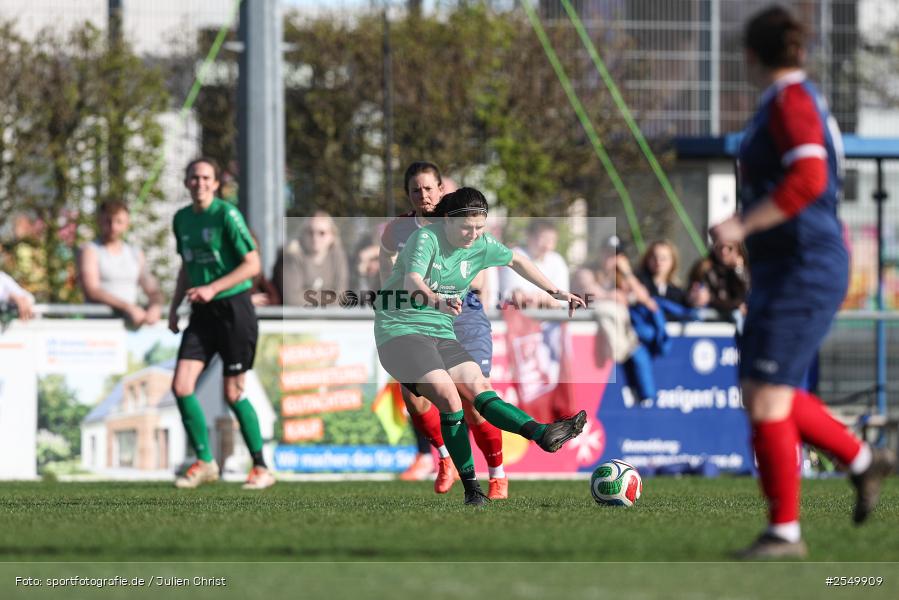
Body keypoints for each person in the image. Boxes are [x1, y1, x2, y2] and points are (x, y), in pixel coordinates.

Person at [711, 6, 894, 559]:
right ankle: (862, 461)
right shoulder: (785, 101)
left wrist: (743, 223)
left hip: (806, 267)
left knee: (767, 398)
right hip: (784, 266)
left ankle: (785, 533)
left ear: (749, 55)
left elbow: (810, 177)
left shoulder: (792, 100)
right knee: (763, 393)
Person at [375, 186, 587, 505]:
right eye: (466, 227)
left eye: (479, 227)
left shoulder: (481, 244)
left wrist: (557, 292)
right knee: (449, 397)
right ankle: (472, 489)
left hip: (440, 331)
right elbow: (411, 283)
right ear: (446, 220)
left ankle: (541, 434)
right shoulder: (426, 239)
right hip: (399, 330)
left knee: (478, 387)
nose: (473, 235)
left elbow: (516, 261)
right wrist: (437, 300)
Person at [381, 163, 509, 499]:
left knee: (473, 402)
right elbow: (388, 267)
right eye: (415, 190)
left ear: (442, 191)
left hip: (462, 315)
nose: (423, 196)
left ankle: (497, 474)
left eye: (428, 189)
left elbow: (480, 274)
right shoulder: (400, 229)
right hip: (419, 317)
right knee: (414, 397)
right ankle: (444, 457)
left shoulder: (461, 222)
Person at [168, 157, 275, 490]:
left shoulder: (227, 214)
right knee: (181, 386)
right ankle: (204, 460)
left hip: (233, 310)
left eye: (205, 178)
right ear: (186, 183)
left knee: (233, 392)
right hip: (201, 313)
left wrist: (214, 287)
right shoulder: (181, 219)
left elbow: (253, 264)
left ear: (215, 184)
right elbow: (186, 267)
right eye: (194, 178)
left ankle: (261, 467)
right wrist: (174, 308)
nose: (199, 183)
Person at [78, 200, 164, 327]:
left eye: (119, 221)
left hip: (129, 330)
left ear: (127, 223)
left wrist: (156, 306)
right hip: (99, 330)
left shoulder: (135, 253)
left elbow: (152, 289)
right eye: (108, 221)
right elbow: (92, 290)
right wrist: (128, 307)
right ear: (99, 221)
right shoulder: (90, 250)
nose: (113, 227)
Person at [273, 210, 348, 306]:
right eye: (310, 232)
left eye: (322, 233)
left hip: (330, 319)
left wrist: (306, 295)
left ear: (332, 236)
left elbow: (342, 297)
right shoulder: (291, 255)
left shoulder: (338, 257)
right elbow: (292, 299)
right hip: (296, 318)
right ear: (303, 234)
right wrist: (330, 297)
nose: (315, 237)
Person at [498, 219, 570, 308]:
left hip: (551, 319)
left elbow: (561, 300)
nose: (547, 245)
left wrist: (541, 299)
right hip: (519, 318)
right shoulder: (514, 256)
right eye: (544, 238)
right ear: (529, 236)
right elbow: (514, 296)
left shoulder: (557, 261)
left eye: (552, 240)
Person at [637, 240, 689, 320]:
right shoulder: (638, 284)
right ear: (647, 259)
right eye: (654, 257)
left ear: (673, 262)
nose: (658, 262)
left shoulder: (678, 291)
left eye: (663, 258)